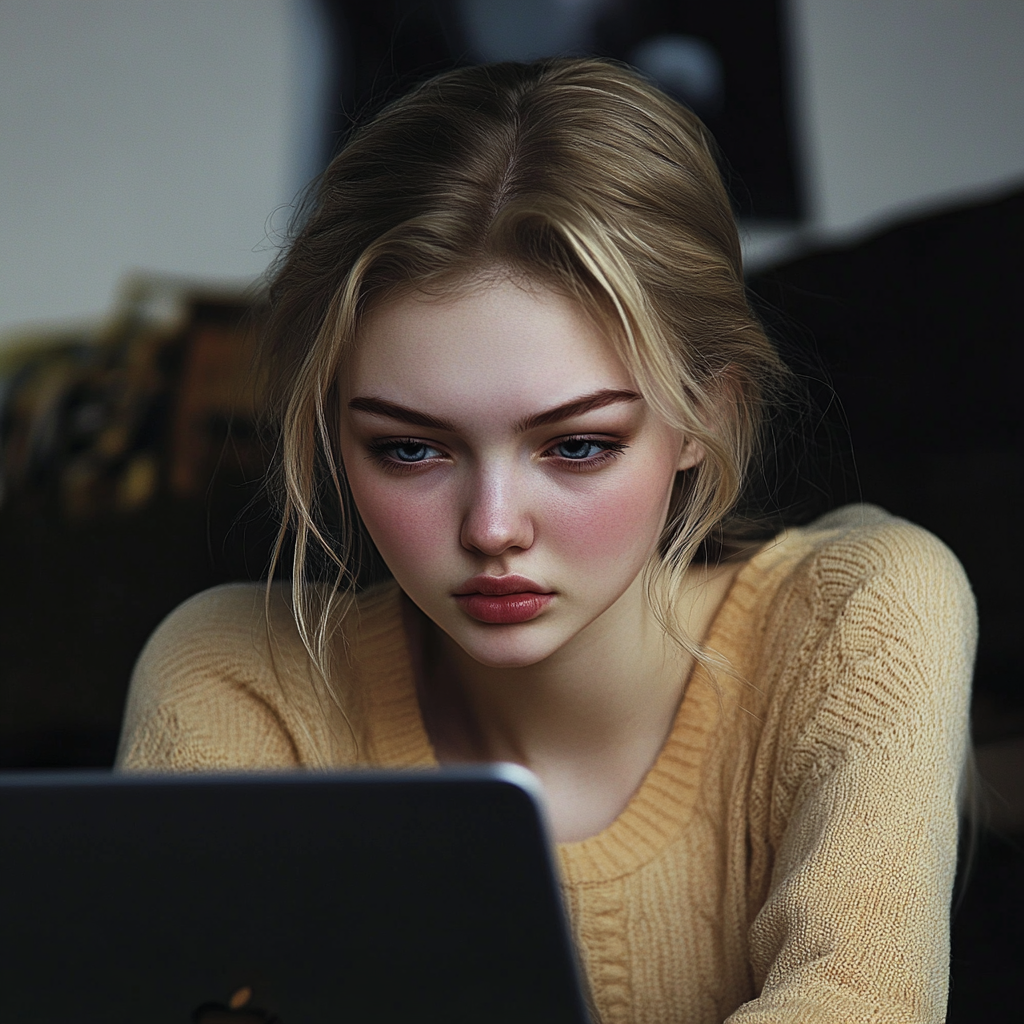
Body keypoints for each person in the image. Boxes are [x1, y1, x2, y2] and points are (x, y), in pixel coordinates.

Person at [116, 58, 976, 1023]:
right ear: (332, 432)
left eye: (576, 446)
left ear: (706, 412)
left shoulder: (861, 617)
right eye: (408, 448)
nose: (491, 529)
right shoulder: (238, 676)